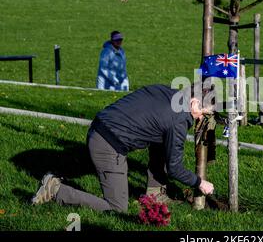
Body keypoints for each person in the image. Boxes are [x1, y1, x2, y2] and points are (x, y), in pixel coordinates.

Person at [31, 83, 215, 213]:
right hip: (108, 145)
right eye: (203, 113)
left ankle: (154, 194)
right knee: (117, 207)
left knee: (162, 143)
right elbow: (175, 168)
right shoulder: (179, 120)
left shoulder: (166, 91)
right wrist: (200, 183)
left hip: (100, 125)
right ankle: (55, 189)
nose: (200, 119)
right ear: (195, 102)